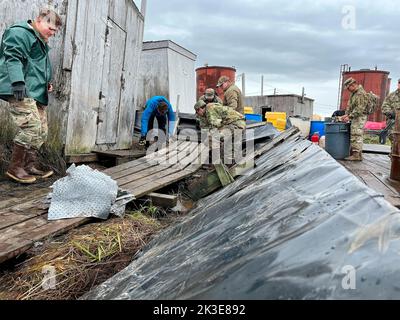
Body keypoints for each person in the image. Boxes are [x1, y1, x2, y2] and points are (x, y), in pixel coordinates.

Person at [0, 7, 62, 183]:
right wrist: (18, 82)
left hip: (35, 90)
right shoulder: (20, 32)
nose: (52, 33)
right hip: (19, 87)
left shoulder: (39, 40)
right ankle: (15, 168)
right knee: (31, 126)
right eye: (50, 29)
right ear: (39, 20)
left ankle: (29, 166)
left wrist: (46, 82)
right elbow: (13, 57)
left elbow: (37, 67)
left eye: (55, 31)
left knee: (41, 130)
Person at [194, 100, 246, 165]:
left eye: (197, 112)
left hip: (234, 124)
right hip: (239, 125)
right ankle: (229, 165)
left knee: (212, 138)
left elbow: (216, 124)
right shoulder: (210, 109)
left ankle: (217, 162)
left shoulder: (209, 108)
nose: (198, 114)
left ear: (200, 109)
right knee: (229, 147)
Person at [340, 78, 369, 161]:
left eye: (348, 88)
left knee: (356, 134)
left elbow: (360, 108)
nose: (348, 90)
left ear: (352, 85)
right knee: (355, 134)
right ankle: (357, 154)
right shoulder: (354, 93)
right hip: (356, 116)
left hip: (359, 117)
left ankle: (356, 155)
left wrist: (350, 116)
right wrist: (347, 114)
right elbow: (351, 106)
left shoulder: (360, 93)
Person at [382, 78, 400, 145]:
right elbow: (384, 107)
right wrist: (391, 113)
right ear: (398, 84)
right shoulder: (391, 96)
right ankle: (394, 153)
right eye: (399, 83)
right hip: (393, 123)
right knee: (394, 139)